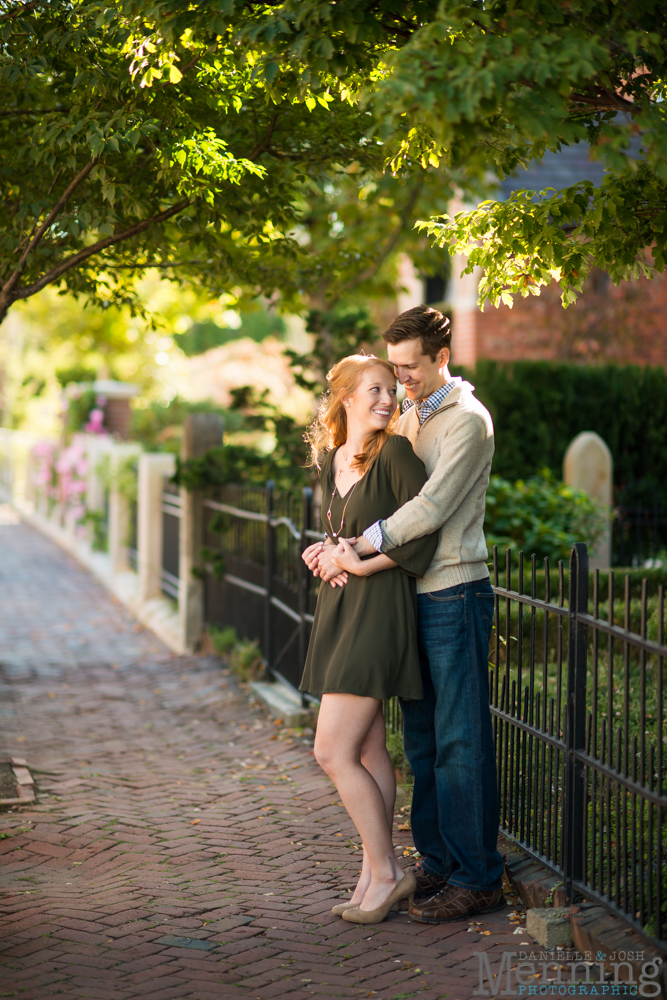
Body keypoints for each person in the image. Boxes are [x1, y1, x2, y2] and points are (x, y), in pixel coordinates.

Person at [305, 305, 504, 924]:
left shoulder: (466, 422)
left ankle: (478, 876)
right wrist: (337, 548)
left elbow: (429, 509)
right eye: (391, 371)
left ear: (441, 358)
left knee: (460, 741)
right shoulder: (414, 415)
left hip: (452, 590)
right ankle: (439, 864)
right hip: (410, 594)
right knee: (420, 743)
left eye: (409, 369)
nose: (400, 382)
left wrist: (357, 551)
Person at [300, 353, 438, 925]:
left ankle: (388, 872)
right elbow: (347, 536)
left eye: (392, 390)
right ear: (346, 399)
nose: (387, 400)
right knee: (366, 750)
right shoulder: (331, 459)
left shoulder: (398, 455)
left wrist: (355, 564)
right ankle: (371, 874)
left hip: (378, 612)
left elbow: (421, 537)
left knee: (330, 751)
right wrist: (323, 552)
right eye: (375, 390)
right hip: (340, 610)